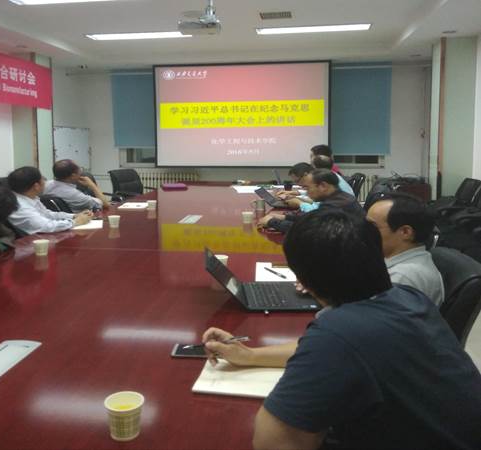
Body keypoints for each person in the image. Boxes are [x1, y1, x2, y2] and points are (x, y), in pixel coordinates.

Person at [203, 210, 481, 450]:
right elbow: (317, 348)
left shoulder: (338, 332)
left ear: (302, 280)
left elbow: (273, 443)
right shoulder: (407, 297)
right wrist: (251, 355)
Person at [366, 192, 444, 306]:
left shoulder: (402, 279)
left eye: (372, 226)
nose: (364, 231)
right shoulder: (399, 260)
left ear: (405, 232)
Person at [259, 169, 364, 233]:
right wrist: (284, 217)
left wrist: (271, 222)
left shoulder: (335, 206)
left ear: (323, 186)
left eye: (307, 188)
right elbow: (313, 219)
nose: (306, 192)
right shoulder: (338, 197)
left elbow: (308, 229)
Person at [7, 166, 92, 235]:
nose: (45, 182)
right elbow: (47, 226)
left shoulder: (30, 197)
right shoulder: (21, 206)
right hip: (29, 246)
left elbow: (47, 214)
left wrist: (74, 216)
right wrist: (75, 222)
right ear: (36, 186)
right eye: (42, 180)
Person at [44, 159, 109, 213]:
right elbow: (105, 204)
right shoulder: (74, 194)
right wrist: (92, 185)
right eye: (79, 169)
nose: (81, 171)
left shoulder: (45, 185)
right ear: (73, 176)